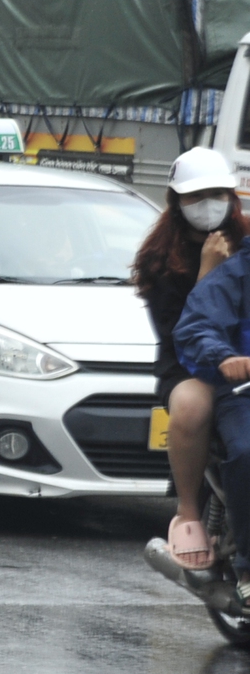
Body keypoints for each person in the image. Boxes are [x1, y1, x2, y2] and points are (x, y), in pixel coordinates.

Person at [139, 148, 245, 569]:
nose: (208, 205)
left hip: (243, 358)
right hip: (190, 366)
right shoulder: (160, 260)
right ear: (176, 202)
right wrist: (207, 273)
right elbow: (183, 333)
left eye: (217, 193)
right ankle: (187, 510)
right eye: (196, 196)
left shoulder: (246, 243)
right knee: (192, 404)